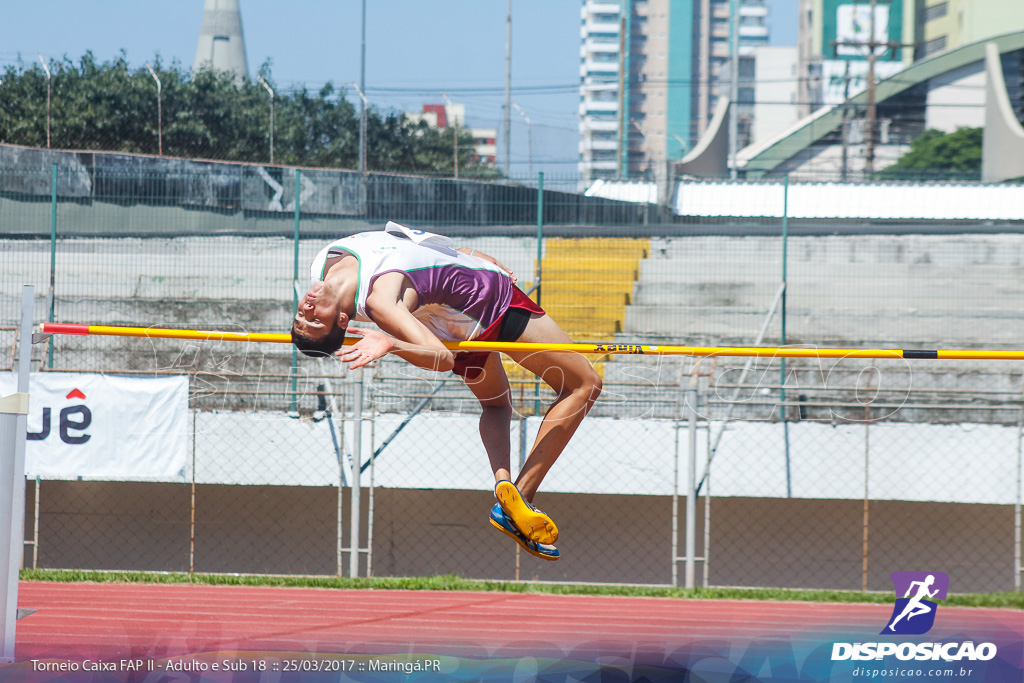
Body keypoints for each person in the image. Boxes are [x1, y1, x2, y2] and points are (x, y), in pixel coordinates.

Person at [291, 222, 602, 561]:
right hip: (487, 301)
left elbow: (407, 240)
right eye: (315, 319)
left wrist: (466, 253)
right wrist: (391, 343)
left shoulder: (321, 262)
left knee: (497, 405)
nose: (306, 309)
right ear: (341, 322)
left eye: (300, 317)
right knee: (584, 384)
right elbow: (441, 357)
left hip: (452, 320)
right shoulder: (379, 302)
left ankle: (504, 487)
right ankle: (521, 500)